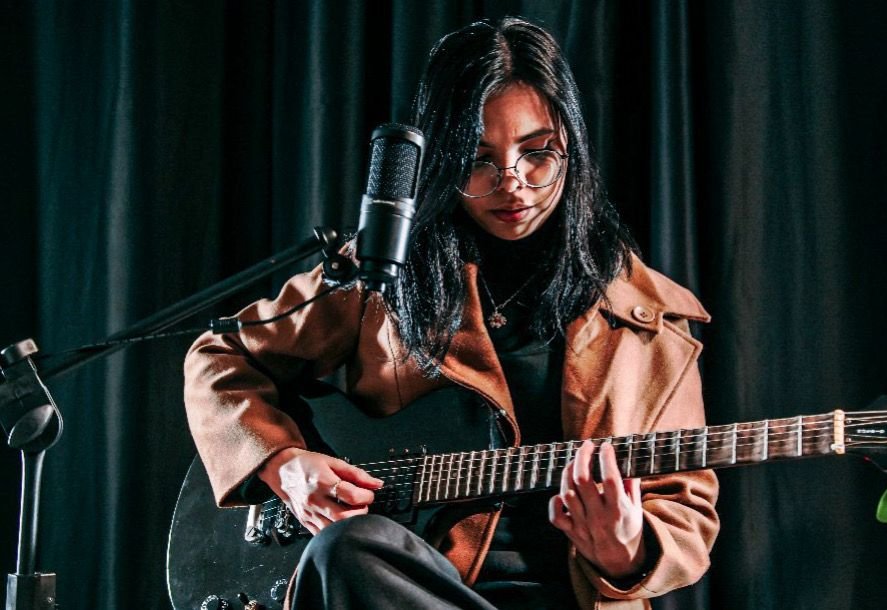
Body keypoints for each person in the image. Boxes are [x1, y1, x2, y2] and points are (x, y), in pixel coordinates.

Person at [183, 16, 718, 610]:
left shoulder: (652, 317)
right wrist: (283, 464)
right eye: (479, 160)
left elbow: (688, 515)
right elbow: (219, 357)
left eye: (537, 152)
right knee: (346, 549)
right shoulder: (381, 274)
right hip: (406, 591)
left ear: (572, 146)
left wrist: (627, 550)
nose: (513, 184)